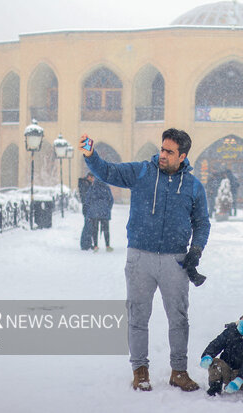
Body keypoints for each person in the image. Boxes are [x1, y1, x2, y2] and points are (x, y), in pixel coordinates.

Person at [80, 128, 211, 392]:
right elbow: (108, 172)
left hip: (176, 261)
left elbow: (202, 223)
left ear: (182, 155)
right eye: (162, 149)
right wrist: (91, 155)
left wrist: (195, 250)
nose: (162, 154)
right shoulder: (142, 172)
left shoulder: (194, 187)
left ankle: (179, 371)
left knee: (179, 318)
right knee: (138, 316)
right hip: (140, 257)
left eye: (169, 151)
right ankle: (140, 370)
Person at [85, 172, 114, 252]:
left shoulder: (92, 187)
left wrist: (90, 209)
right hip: (104, 212)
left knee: (95, 230)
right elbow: (111, 200)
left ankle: (95, 246)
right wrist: (108, 208)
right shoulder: (106, 187)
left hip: (94, 212)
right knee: (106, 230)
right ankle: (107, 246)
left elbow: (87, 200)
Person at [77, 175, 93, 250]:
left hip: (88, 207)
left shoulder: (86, 184)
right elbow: (85, 197)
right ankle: (84, 244)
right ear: (89, 177)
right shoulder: (85, 185)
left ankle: (88, 243)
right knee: (88, 225)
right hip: (87, 208)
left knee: (89, 226)